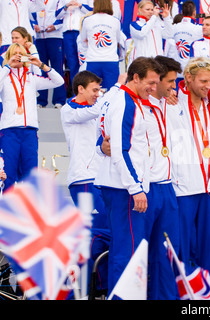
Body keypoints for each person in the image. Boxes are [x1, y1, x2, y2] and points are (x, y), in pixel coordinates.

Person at [93, 56, 164, 297]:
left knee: (125, 249)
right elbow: (121, 150)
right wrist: (136, 188)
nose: (154, 89)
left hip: (118, 184)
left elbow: (105, 143)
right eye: (151, 83)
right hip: (124, 188)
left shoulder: (119, 100)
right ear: (135, 77)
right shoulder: (125, 103)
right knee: (129, 251)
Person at [60, 70, 124, 296]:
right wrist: (118, 87)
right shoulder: (69, 110)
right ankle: (74, 288)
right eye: (94, 90)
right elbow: (97, 109)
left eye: (99, 90)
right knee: (93, 235)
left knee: (107, 233)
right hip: (83, 179)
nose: (98, 94)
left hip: (102, 178)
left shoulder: (97, 109)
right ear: (80, 89)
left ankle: (101, 286)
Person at [167, 57, 210, 299]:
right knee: (181, 248)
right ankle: (182, 295)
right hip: (183, 187)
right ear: (188, 78)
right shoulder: (170, 102)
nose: (207, 86)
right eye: (203, 81)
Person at [140, 55, 183, 300]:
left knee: (168, 253)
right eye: (170, 81)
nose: (173, 86)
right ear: (156, 81)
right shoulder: (137, 105)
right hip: (145, 188)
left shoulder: (171, 105)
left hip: (168, 186)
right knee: (140, 253)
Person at [0, 43, 65, 191]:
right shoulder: (4, 76)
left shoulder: (31, 77)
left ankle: (28, 210)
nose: (17, 57)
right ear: (9, 57)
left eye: (20, 54)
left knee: (30, 176)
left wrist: (41, 65)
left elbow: (58, 81)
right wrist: (7, 67)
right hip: (9, 132)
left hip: (29, 132)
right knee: (8, 174)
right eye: (14, 54)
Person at [79, 0, 122, 91]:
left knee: (92, 91)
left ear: (95, 5)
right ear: (110, 5)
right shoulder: (115, 21)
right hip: (111, 60)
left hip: (93, 60)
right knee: (113, 91)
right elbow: (118, 39)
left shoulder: (87, 20)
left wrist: (90, 43)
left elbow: (82, 39)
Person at [32, 0, 67, 109]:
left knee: (57, 68)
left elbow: (64, 15)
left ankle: (59, 100)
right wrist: (34, 25)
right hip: (39, 37)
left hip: (55, 36)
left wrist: (55, 26)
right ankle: (41, 100)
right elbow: (29, 14)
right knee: (40, 67)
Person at [56, 0, 94, 85]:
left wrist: (80, 5)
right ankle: (75, 92)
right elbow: (57, 15)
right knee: (72, 64)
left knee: (84, 62)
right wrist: (66, 6)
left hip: (81, 32)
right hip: (67, 33)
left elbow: (92, 11)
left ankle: (86, 88)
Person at [129, 0, 174, 65]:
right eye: (147, 9)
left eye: (152, 10)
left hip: (158, 62)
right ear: (140, 9)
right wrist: (154, 17)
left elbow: (169, 34)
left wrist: (166, 18)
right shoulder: (135, 24)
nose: (150, 12)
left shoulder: (156, 24)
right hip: (143, 63)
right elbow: (142, 33)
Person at [172, 1, 203, 79]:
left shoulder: (174, 27)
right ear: (194, 13)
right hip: (192, 70)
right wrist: (205, 16)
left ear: (182, 12)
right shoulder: (199, 28)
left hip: (177, 69)